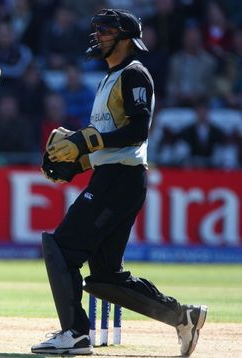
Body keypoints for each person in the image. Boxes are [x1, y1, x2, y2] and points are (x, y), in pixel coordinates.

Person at [32, 9, 207, 356]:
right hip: (114, 177)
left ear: (126, 38)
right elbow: (110, 142)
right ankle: (182, 316)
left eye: (106, 31)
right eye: (96, 30)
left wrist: (83, 142)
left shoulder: (134, 73)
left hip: (120, 180)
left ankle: (75, 334)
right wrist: (74, 164)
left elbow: (138, 131)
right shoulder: (108, 78)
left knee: (62, 248)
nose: (97, 36)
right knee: (105, 277)